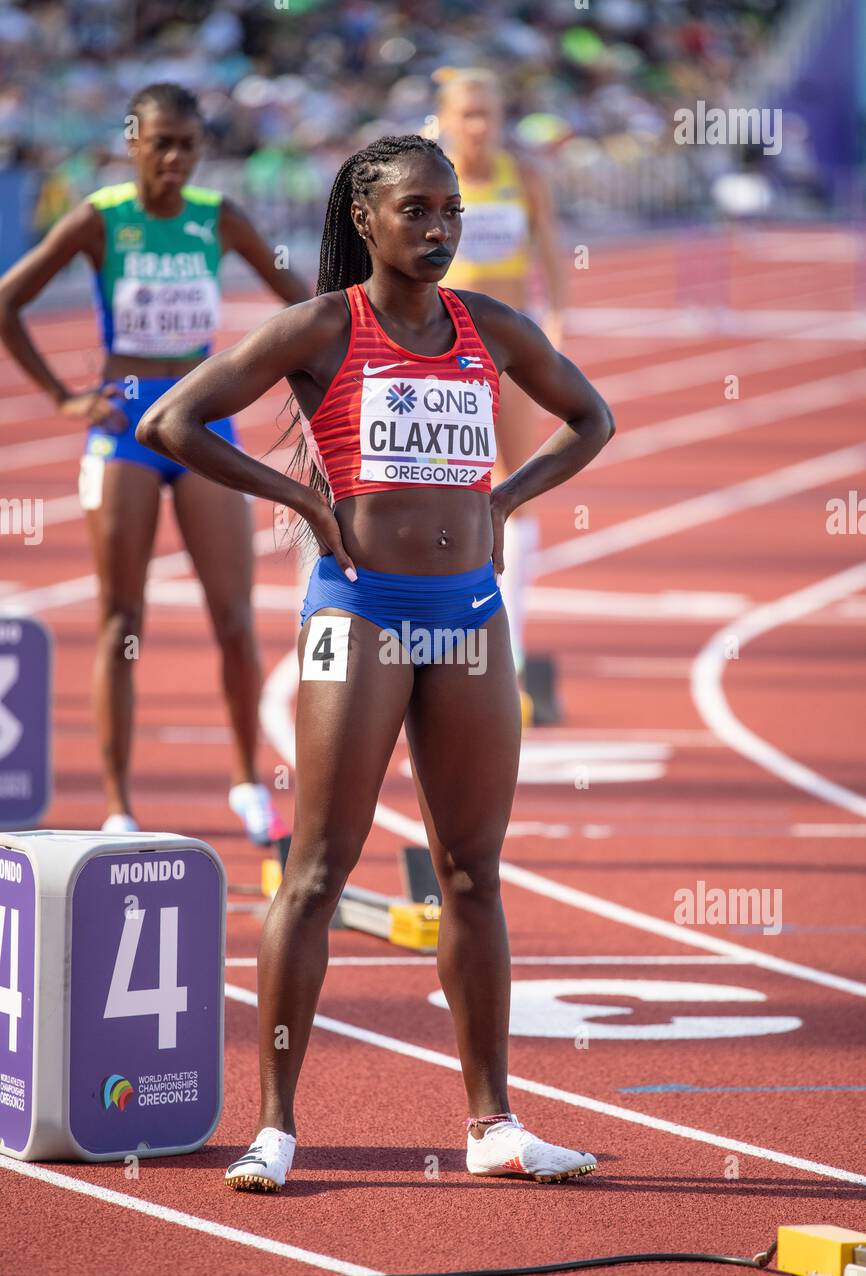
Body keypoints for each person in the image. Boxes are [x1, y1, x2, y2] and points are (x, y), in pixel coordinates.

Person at [136, 133, 615, 1191]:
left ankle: (491, 1121)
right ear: (365, 218)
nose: (440, 230)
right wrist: (307, 500)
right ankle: (275, 1126)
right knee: (315, 873)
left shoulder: (488, 327)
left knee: (469, 875)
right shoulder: (320, 327)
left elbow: (591, 417)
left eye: (450, 212)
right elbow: (173, 420)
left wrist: (501, 500)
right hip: (359, 613)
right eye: (416, 212)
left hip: (470, 615)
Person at [0, 82, 309, 842]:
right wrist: (64, 397)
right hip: (124, 432)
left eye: (189, 145)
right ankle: (118, 805)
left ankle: (245, 783)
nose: (174, 158)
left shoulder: (218, 218)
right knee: (120, 619)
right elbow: (7, 300)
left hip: (202, 428)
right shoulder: (103, 220)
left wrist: (292, 376)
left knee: (234, 618)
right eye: (161, 142)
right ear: (132, 140)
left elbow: (305, 306)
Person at [435, 68, 568, 723]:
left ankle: (507, 645)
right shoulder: (432, 180)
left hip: (506, 353)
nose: (480, 127)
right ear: (446, 117)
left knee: (510, 490)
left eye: (490, 113)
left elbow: (550, 250)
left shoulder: (524, 177)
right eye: (468, 115)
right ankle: (435, 632)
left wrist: (560, 327)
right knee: (437, 487)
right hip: (440, 355)